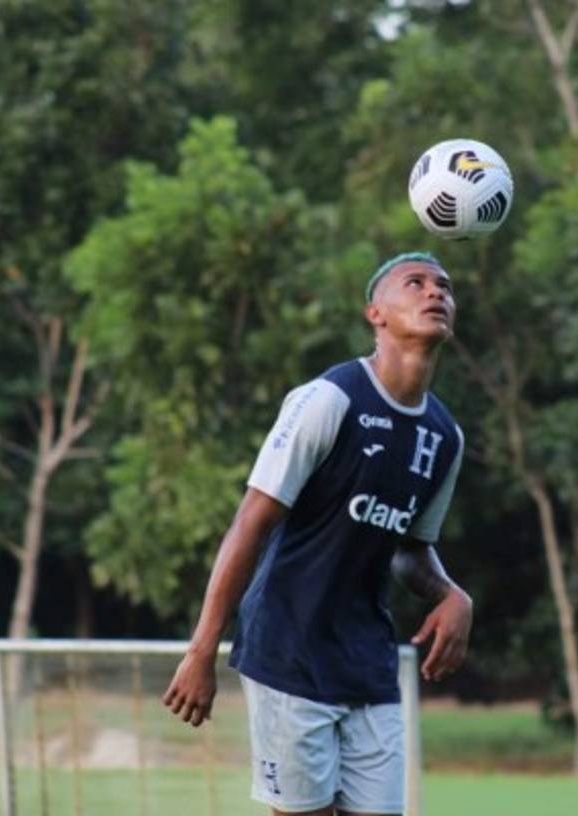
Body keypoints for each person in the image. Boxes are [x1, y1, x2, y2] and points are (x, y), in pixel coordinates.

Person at [162, 251, 474, 816]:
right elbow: (249, 525)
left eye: (445, 287)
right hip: (289, 647)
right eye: (417, 283)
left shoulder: (444, 436)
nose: (436, 293)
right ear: (375, 313)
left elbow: (408, 551)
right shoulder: (330, 399)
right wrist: (203, 648)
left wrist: (450, 594)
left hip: (367, 661)